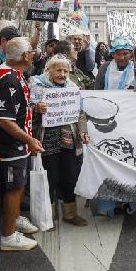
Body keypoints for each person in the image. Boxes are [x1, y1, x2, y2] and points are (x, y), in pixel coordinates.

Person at [0, 37, 43, 251]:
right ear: (25, 56)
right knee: (13, 187)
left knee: (19, 184)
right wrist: (29, 139)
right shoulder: (8, 79)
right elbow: (5, 120)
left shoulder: (13, 75)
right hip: (10, 144)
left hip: (18, 144)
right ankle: (8, 235)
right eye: (31, 51)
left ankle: (15, 217)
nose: (34, 53)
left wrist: (34, 108)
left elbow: (16, 109)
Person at [30, 55, 91, 226]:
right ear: (49, 70)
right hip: (46, 138)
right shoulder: (36, 84)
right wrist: (36, 108)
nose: (63, 74)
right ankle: (48, 217)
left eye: (65, 70)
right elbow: (26, 108)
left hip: (68, 139)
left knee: (70, 176)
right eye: (58, 70)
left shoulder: (72, 87)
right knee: (51, 178)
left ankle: (70, 214)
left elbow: (80, 113)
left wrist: (83, 132)